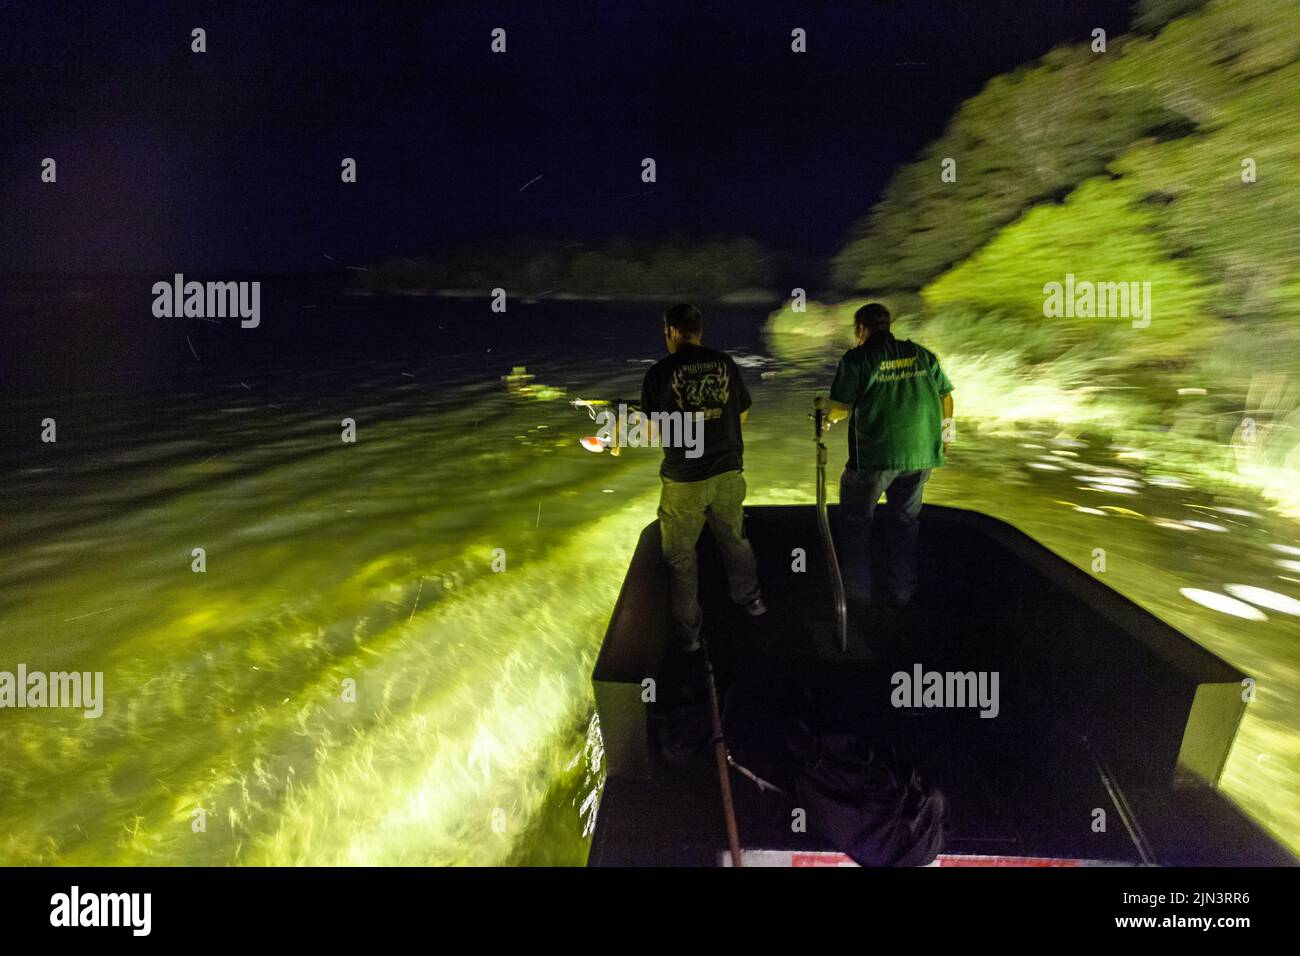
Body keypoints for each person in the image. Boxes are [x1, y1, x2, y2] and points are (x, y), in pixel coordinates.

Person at [640, 303, 765, 652]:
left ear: (669, 332)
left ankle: (691, 635)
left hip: (685, 481)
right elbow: (741, 415)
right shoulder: (724, 363)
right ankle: (753, 601)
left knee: (680, 558)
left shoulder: (659, 373)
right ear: (699, 331)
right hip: (727, 473)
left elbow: (651, 434)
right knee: (735, 541)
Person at [824, 303, 954, 607]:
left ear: (860, 329)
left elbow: (840, 409)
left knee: (857, 523)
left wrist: (826, 419)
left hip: (874, 459)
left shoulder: (858, 359)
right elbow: (946, 395)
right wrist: (946, 436)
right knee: (906, 523)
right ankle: (903, 592)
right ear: (888, 325)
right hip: (920, 455)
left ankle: (858, 594)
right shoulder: (922, 354)